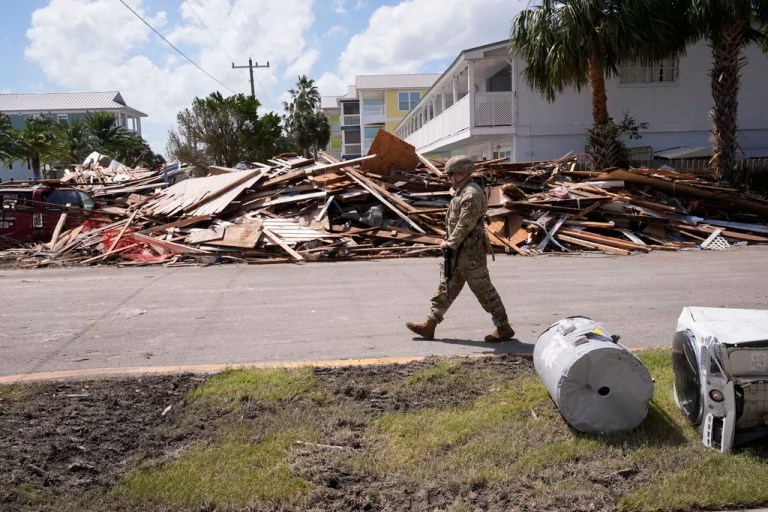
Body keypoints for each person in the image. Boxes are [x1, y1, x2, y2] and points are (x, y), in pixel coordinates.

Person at [406, 155, 515, 343]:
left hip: (470, 254)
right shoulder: (461, 192)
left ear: (463, 173)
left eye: (451, 174)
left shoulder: (471, 194)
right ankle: (429, 325)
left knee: (484, 291)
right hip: (457, 252)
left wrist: (451, 242)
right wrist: (449, 242)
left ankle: (503, 327)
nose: (449, 178)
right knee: (446, 287)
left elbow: (466, 223)